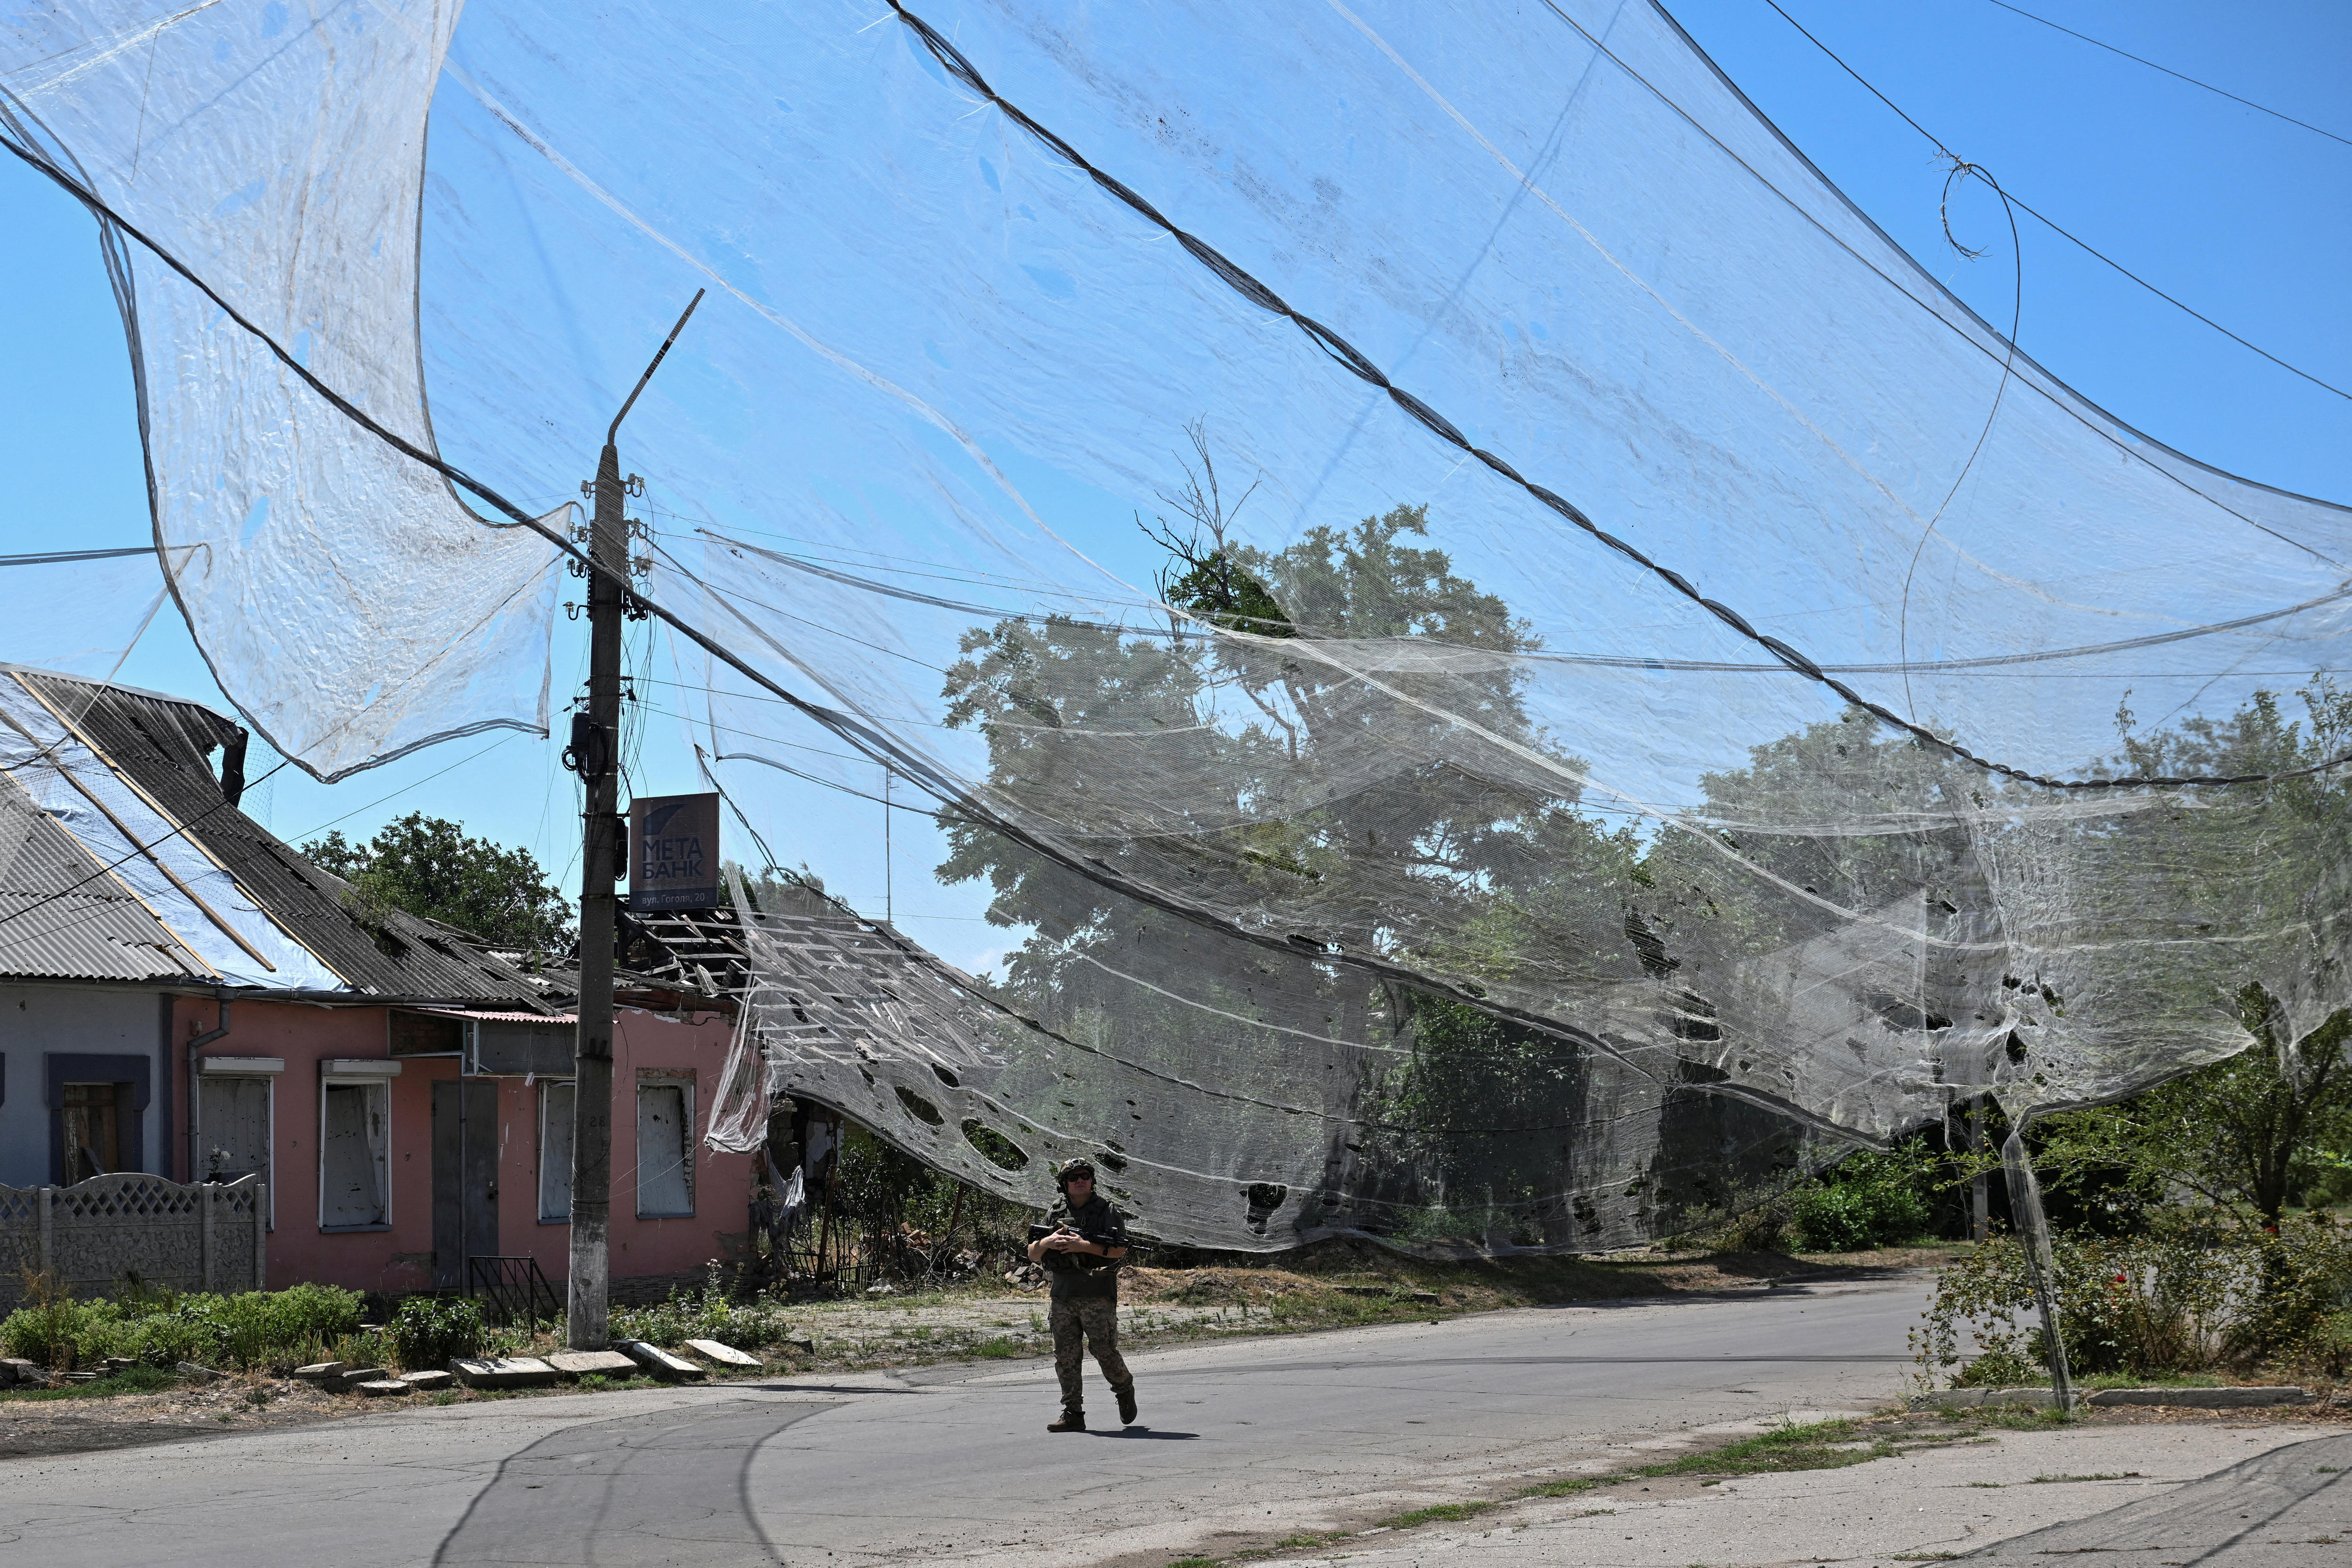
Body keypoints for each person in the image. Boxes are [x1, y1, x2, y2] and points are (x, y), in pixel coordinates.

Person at [1026, 1157, 1136, 1432]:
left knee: (1103, 1350)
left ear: (1092, 1180)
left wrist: (1082, 1245)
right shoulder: (1055, 1212)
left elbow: (1118, 1251)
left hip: (1097, 1293)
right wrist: (1047, 1242)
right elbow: (1032, 1253)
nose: (1080, 1181)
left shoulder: (1107, 1211)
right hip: (1062, 1294)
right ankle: (1073, 1412)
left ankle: (1123, 1388)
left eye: (1085, 1176)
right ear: (1065, 1184)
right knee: (1066, 1355)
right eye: (1074, 1177)